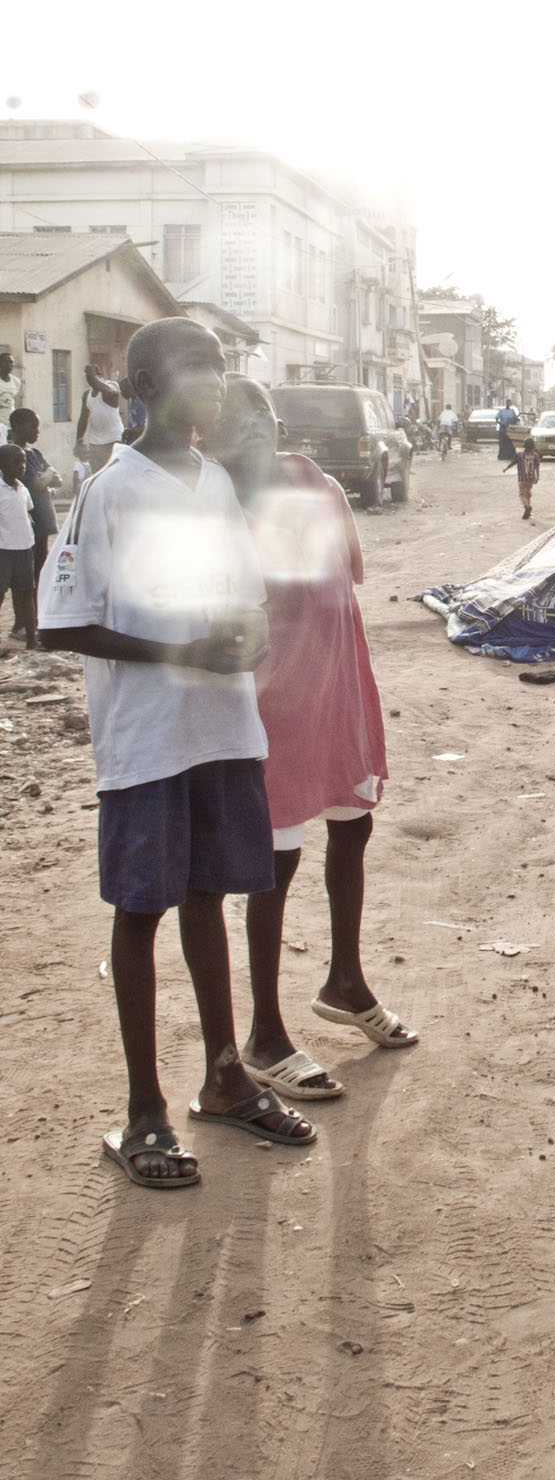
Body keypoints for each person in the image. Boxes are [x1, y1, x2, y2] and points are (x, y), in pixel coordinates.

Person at [38, 317, 316, 1189]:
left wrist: (246, 638)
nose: (219, 382)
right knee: (141, 909)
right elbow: (61, 623)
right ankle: (143, 1112)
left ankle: (225, 1077)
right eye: (201, 366)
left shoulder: (215, 483)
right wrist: (180, 653)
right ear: (146, 387)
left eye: (224, 368)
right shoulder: (110, 490)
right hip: (149, 740)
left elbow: (241, 595)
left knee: (208, 897)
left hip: (220, 730)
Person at [205, 379, 414, 1095]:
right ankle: (265, 1032)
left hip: (336, 690)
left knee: (354, 825)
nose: (253, 430)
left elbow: (348, 574)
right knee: (276, 859)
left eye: (260, 415)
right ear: (208, 436)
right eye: (234, 421)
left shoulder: (313, 482)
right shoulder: (213, 507)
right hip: (271, 708)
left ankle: (345, 980)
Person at [7, 407, 58, 620]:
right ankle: (24, 620)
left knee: (41, 570)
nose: (37, 431)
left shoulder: (35, 454)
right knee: (26, 576)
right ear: (18, 426)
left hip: (43, 521)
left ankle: (36, 616)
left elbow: (56, 480)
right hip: (27, 523)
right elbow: (37, 483)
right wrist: (47, 476)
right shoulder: (12, 455)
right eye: (33, 426)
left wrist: (46, 479)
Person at [0, 443, 39, 649]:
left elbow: (27, 512)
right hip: (4, 550)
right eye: (16, 462)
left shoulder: (22, 489)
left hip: (24, 549)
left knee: (26, 594)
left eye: (23, 461)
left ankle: (32, 640)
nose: (22, 466)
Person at [77, 363, 126, 473]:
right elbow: (83, 419)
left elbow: (111, 392)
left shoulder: (112, 385)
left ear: (99, 376)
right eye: (88, 379)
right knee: (97, 474)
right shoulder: (87, 394)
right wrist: (78, 440)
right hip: (96, 443)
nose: (90, 382)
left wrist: (95, 377)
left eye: (92, 378)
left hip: (114, 439)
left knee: (114, 473)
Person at [514, 434, 541, 518]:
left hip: (522, 478)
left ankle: (527, 506)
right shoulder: (535, 455)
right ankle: (528, 511)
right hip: (531, 478)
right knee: (528, 493)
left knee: (522, 494)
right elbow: (537, 466)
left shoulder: (520, 455)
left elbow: (513, 462)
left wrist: (506, 468)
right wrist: (537, 476)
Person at [0, 350, 24, 433]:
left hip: (10, 424)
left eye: (11, 362)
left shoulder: (16, 381)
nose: (9, 364)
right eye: (6, 362)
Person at [496, 401, 520, 466]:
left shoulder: (512, 411)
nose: (508, 404)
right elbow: (497, 418)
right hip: (502, 429)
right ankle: (502, 456)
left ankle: (510, 455)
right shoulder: (502, 411)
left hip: (510, 429)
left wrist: (516, 421)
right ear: (506, 403)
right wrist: (500, 424)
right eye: (507, 403)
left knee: (510, 443)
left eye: (509, 403)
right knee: (502, 443)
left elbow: (515, 419)